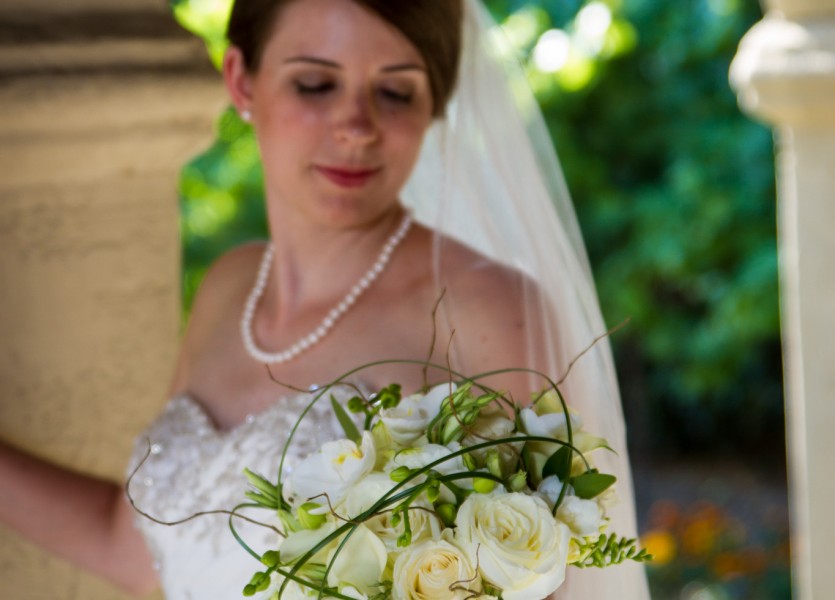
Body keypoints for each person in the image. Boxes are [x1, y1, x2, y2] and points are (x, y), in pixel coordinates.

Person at [0, 0, 649, 598]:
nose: (355, 126)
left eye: (394, 91)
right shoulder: (229, 287)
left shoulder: (484, 308)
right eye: (315, 84)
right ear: (241, 81)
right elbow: (134, 547)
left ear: (435, 104)